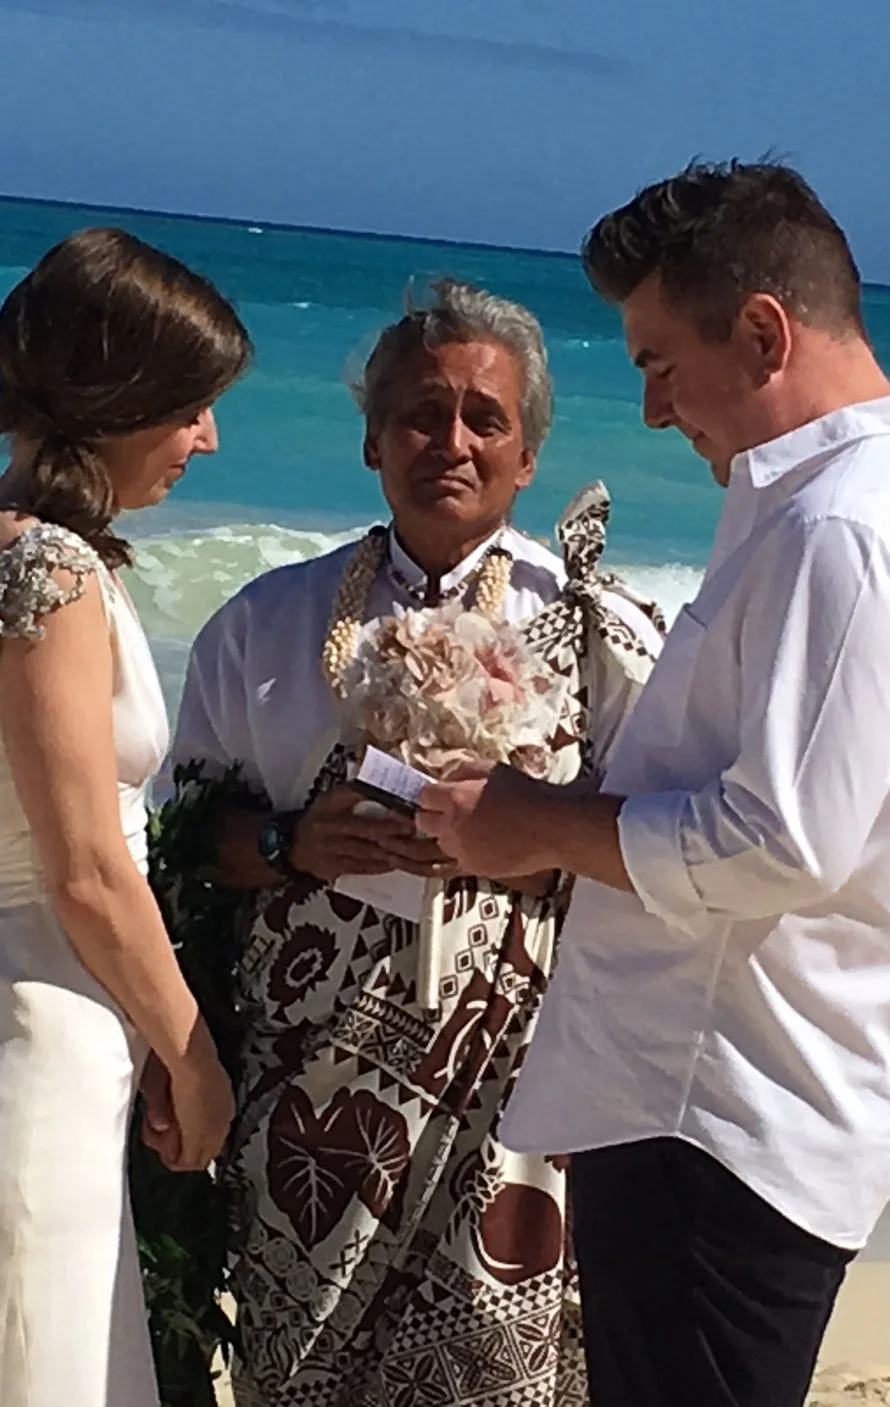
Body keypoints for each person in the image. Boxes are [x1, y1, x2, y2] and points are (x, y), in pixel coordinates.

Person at [417, 161, 890, 1407]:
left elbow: (778, 843)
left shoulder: (847, 528)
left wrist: (534, 826)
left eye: (658, 364)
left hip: (728, 1111)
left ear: (761, 333)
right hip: (752, 1096)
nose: (652, 411)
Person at [158, 278, 664, 1407]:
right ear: (372, 441)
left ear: (528, 456)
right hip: (306, 1121)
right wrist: (291, 841)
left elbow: (673, 850)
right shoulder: (265, 625)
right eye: (421, 415)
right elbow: (181, 847)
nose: (452, 441)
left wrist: (534, 844)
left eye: (485, 419)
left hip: (520, 1105)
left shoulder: (601, 632)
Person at [0, 227, 248, 1407]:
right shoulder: (53, 573)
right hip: (29, 1060)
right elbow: (84, 871)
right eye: (191, 407)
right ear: (121, 397)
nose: (207, 439)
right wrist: (193, 1056)